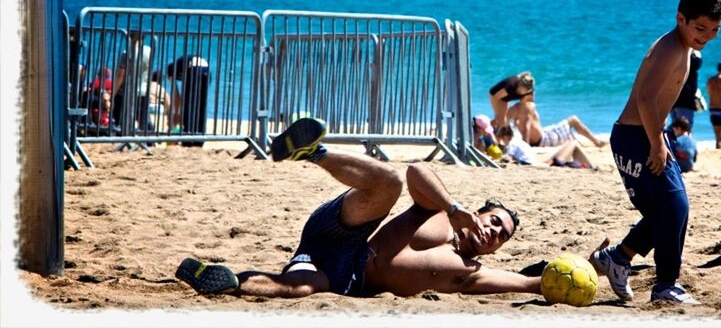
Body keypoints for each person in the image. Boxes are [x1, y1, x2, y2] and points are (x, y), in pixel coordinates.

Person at [176, 118, 550, 299]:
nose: (494, 232)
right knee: (390, 183)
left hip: (345, 279)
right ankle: (314, 152)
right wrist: (454, 208)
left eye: (502, 235)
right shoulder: (437, 212)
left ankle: (227, 280)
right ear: (482, 213)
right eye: (495, 221)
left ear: (498, 248)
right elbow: (417, 170)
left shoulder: (469, 273)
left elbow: (529, 282)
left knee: (305, 287)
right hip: (347, 230)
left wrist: (594, 269)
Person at [591, 0, 721, 306]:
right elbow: (646, 100)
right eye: (700, 28)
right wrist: (656, 143)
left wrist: (659, 138)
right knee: (675, 206)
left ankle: (618, 258)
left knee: (663, 211)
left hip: (641, 135)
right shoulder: (671, 49)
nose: (706, 36)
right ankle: (666, 285)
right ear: (681, 18)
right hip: (636, 136)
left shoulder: (683, 48)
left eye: (714, 30)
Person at [508, 90, 607, 148]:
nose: (534, 95)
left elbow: (503, 122)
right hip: (544, 140)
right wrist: (526, 147)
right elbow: (527, 126)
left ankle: (588, 141)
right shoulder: (529, 106)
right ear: (528, 94)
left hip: (541, 136)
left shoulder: (514, 108)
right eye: (533, 93)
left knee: (568, 130)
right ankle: (597, 142)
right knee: (573, 120)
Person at [495, 125, 593, 169]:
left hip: (542, 164)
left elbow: (508, 159)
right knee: (573, 143)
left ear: (503, 137)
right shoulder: (518, 141)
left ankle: (589, 167)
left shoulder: (512, 144)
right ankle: (590, 167)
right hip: (541, 164)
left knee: (573, 143)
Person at [113, 31, 153, 131]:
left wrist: (113, 92)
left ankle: (122, 134)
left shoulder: (127, 53)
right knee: (142, 117)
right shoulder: (149, 51)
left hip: (127, 91)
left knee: (121, 117)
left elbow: (121, 75)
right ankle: (146, 137)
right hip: (143, 90)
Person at [668, 50, 703, 128]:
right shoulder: (689, 66)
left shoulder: (676, 65)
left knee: (675, 128)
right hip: (685, 102)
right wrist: (693, 53)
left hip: (674, 101)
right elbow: (697, 63)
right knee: (685, 128)